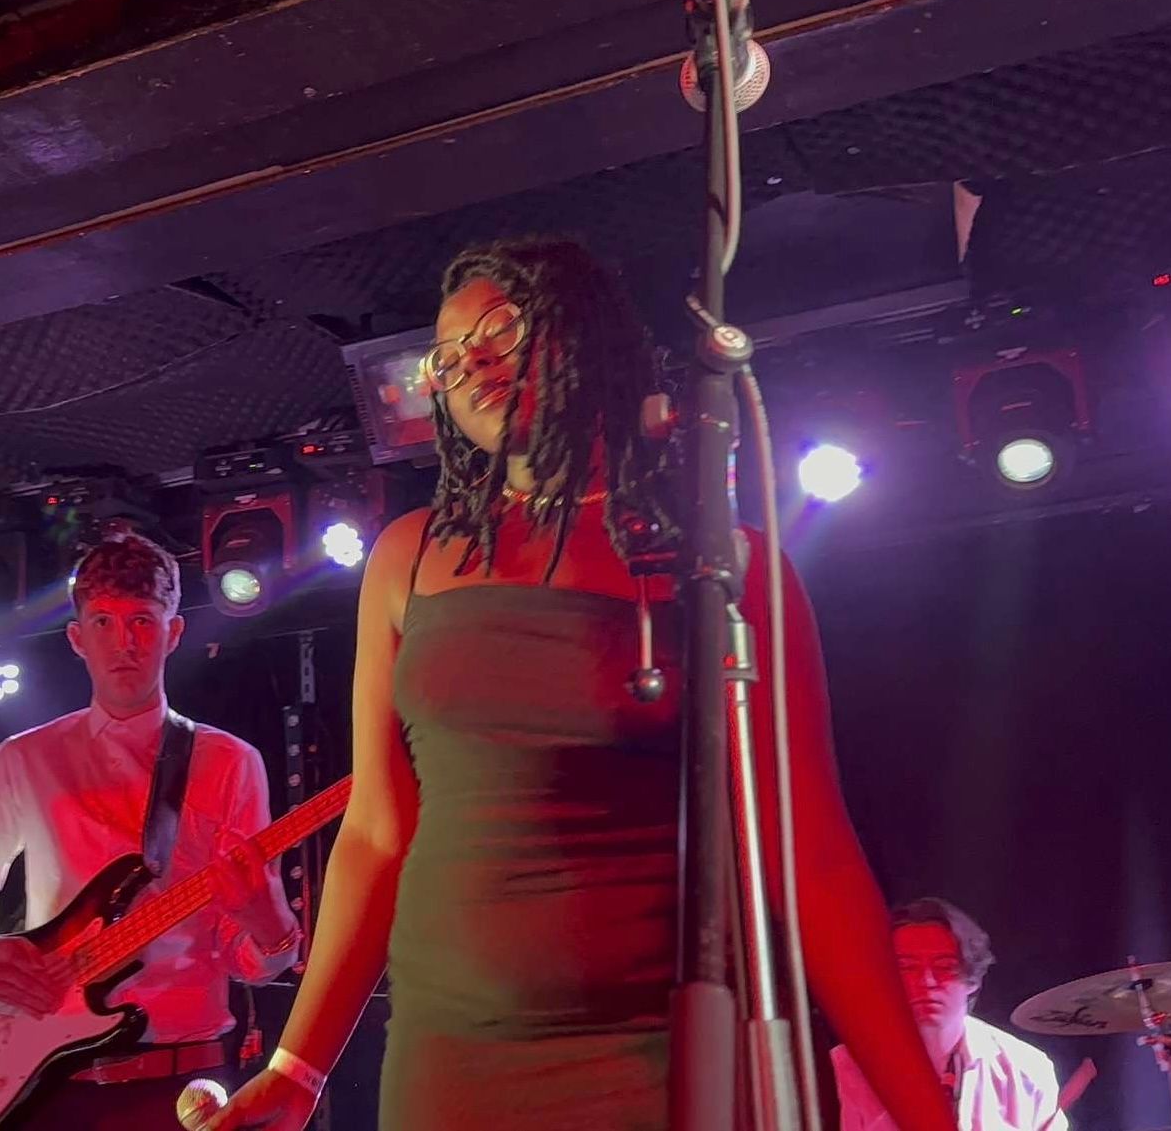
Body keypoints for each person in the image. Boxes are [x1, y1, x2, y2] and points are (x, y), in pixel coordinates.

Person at [208, 237, 955, 1131]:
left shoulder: (722, 560)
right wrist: (297, 1066)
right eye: (446, 356)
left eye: (499, 329)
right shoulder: (409, 557)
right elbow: (374, 831)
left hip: (664, 1054)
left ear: (583, 332)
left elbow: (811, 855)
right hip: (453, 1060)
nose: (471, 362)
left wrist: (928, 1115)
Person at [0, 531, 302, 1130]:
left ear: (173, 632)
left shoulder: (230, 763)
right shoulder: (22, 760)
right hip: (44, 1085)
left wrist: (267, 919)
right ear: (76, 638)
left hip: (182, 1084)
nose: (123, 643)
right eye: (103, 622)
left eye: (141, 622)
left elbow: (251, 961)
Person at [831, 898, 1067, 1131]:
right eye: (907, 967)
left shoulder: (1026, 1069)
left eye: (944, 966)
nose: (926, 982)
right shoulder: (844, 1069)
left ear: (973, 979)